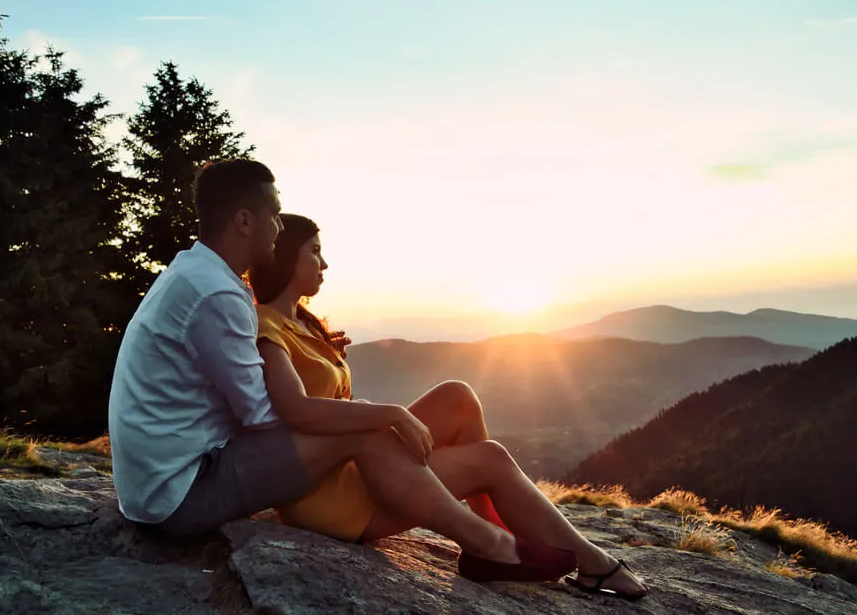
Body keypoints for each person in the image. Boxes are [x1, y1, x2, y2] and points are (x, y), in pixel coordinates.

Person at [247, 213, 649, 600]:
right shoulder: (267, 327)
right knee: (491, 458)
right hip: (332, 497)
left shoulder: (302, 321)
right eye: (315, 251)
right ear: (287, 259)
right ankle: (583, 560)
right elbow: (295, 410)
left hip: (362, 466)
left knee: (457, 396)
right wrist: (391, 414)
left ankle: (493, 529)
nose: (325, 263)